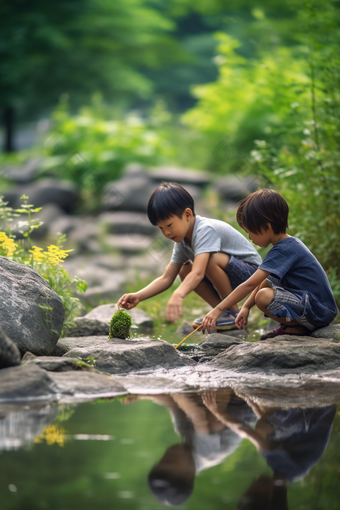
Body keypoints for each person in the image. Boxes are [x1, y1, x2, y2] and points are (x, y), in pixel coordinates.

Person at [118, 182, 261, 331]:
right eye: (161, 228)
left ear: (187, 214)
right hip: (231, 274)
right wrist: (138, 296)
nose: (166, 233)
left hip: (253, 274)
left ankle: (232, 313)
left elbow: (198, 273)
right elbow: (167, 278)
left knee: (209, 261)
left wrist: (178, 295)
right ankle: (223, 313)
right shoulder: (182, 241)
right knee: (184, 270)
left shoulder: (204, 229)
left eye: (169, 225)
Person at [202, 188, 338, 339]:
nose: (250, 238)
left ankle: (296, 328)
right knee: (266, 287)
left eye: (250, 232)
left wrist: (218, 309)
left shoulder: (285, 249)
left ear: (266, 226)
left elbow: (249, 284)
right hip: (317, 308)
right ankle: (291, 326)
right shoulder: (285, 245)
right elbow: (265, 281)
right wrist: (246, 307)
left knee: (264, 297)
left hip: (319, 311)